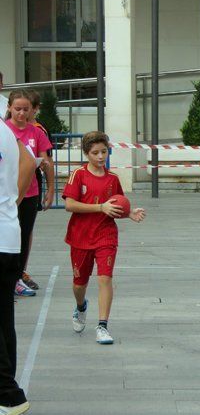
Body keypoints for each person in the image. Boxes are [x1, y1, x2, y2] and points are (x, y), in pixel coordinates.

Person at [63, 131, 146, 345]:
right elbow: (69, 205)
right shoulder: (78, 175)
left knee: (105, 278)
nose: (101, 157)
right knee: (79, 284)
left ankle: (102, 326)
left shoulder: (113, 179)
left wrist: (129, 213)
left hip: (105, 235)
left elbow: (116, 205)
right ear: (86, 153)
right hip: (80, 236)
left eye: (104, 152)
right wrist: (100, 207)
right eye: (95, 153)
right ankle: (81, 307)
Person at [0, 120, 37, 415]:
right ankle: (5, 396)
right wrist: (11, 203)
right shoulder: (4, 129)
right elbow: (28, 161)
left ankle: (8, 395)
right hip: (8, 236)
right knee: (2, 320)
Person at [5, 90, 54, 298]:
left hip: (30, 192)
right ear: (9, 108)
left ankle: (17, 277)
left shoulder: (36, 132)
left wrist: (51, 189)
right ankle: (7, 277)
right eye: (17, 109)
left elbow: (47, 162)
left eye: (26, 109)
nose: (22, 113)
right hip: (7, 194)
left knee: (24, 235)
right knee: (7, 235)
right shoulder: (4, 130)